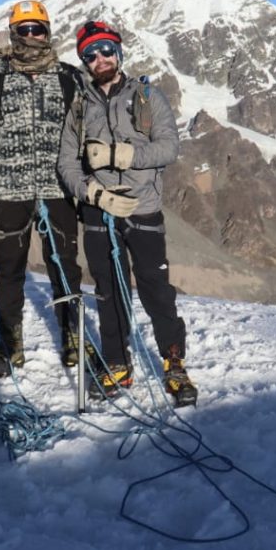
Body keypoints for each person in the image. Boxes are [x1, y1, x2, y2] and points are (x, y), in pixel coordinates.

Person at [57, 20, 197, 407]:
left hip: (143, 209)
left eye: (105, 50)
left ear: (118, 53)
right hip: (98, 213)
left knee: (156, 289)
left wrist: (123, 156)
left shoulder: (148, 96)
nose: (99, 58)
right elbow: (67, 163)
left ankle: (173, 362)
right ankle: (117, 363)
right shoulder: (80, 106)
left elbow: (169, 147)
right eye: (90, 54)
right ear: (84, 61)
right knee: (107, 291)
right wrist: (92, 192)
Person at [0, 0, 89, 378]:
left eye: (37, 28)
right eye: (24, 30)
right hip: (9, 186)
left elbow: (91, 129)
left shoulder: (71, 77)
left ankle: (73, 333)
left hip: (58, 186)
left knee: (65, 264)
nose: (31, 36)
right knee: (10, 268)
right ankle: (10, 339)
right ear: (13, 33)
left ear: (48, 31)